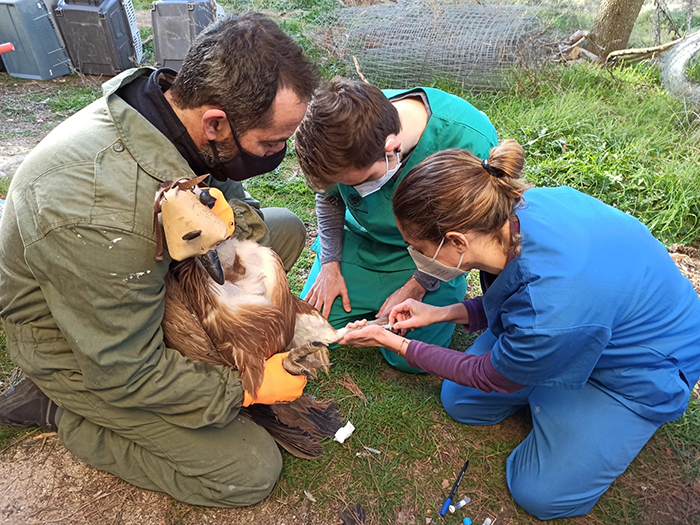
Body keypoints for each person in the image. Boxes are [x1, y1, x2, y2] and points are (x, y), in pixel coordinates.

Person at [0, 14, 319, 507]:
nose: (279, 153)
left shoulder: (177, 116)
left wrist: (242, 249)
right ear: (216, 121)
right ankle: (62, 410)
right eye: (272, 142)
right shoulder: (96, 214)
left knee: (283, 231)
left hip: (131, 272)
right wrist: (245, 388)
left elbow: (237, 207)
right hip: (77, 338)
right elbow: (127, 369)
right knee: (248, 471)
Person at [340, 142, 700, 519]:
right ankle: (546, 375)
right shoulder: (507, 210)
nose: (418, 258)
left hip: (641, 366)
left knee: (539, 493)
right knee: (459, 400)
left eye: (418, 248)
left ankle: (588, 403)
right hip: (576, 322)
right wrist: (439, 313)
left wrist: (392, 341)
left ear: (458, 241)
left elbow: (491, 368)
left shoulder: (551, 308)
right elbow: (516, 296)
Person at [295, 78, 498, 372]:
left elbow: (462, 238)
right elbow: (329, 198)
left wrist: (418, 285)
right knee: (311, 330)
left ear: (392, 149)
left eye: (356, 182)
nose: (351, 189)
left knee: (412, 357)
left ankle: (434, 292)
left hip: (431, 253)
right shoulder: (341, 131)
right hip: (361, 242)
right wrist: (330, 264)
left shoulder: (467, 141)